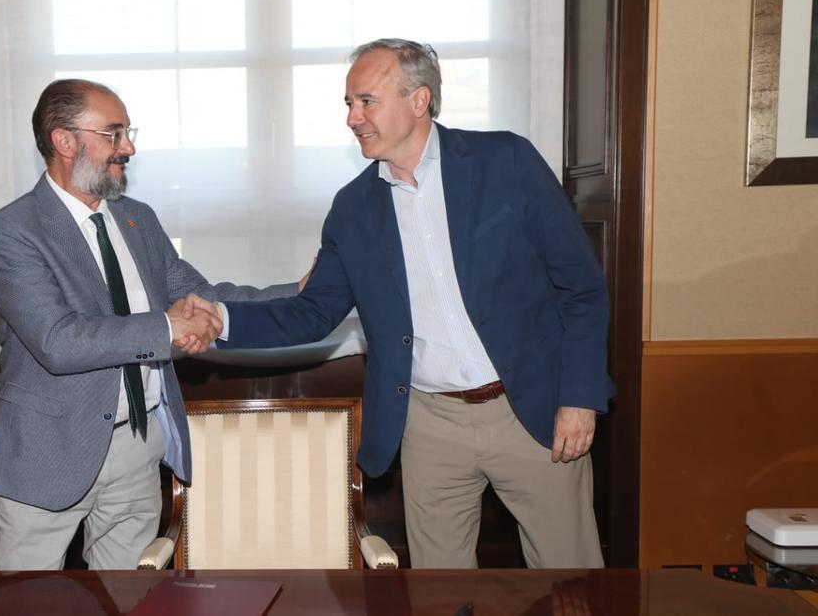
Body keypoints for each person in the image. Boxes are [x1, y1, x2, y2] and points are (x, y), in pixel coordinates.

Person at [211, 38, 615, 568]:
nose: (353, 118)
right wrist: (219, 318)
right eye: (348, 104)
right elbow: (311, 311)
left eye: (366, 101)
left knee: (572, 584)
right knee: (438, 593)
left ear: (419, 101)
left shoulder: (505, 161)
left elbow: (581, 289)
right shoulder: (353, 208)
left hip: (532, 411)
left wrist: (579, 397)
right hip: (428, 423)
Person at [0, 79, 298, 570]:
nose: (128, 147)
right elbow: (59, 341)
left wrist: (302, 293)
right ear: (64, 140)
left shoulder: (137, 219)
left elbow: (202, 296)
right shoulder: (11, 231)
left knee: (132, 597)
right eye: (114, 133)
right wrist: (168, 328)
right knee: (29, 602)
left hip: (136, 443)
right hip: (46, 453)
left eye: (127, 132)